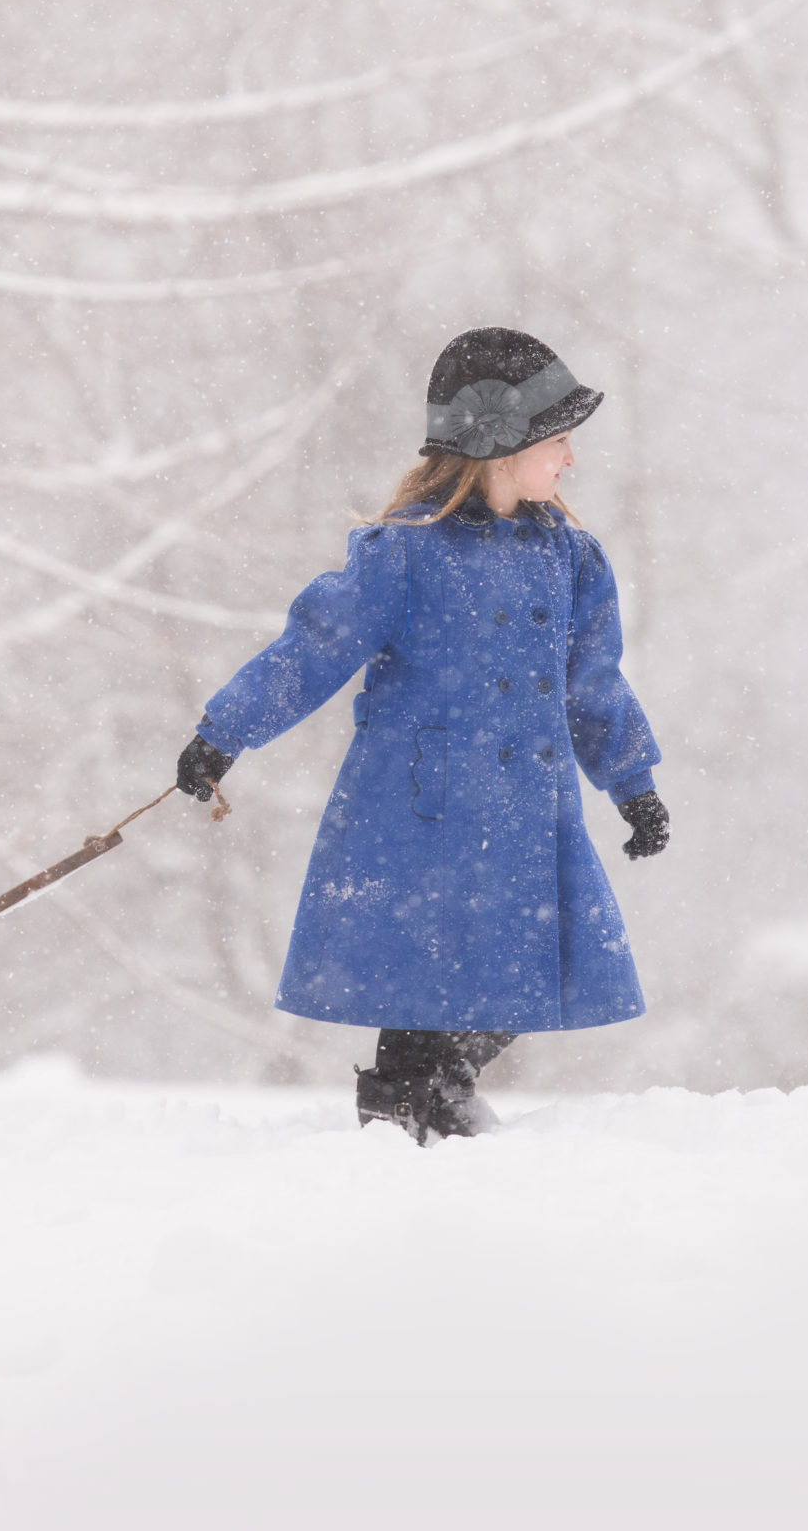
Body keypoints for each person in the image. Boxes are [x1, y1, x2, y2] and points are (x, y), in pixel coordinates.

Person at [173, 328, 670, 1142]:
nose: (571, 459)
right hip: (424, 819)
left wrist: (633, 784)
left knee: (524, 973)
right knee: (428, 984)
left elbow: (594, 685)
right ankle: (412, 1108)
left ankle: (418, 1095)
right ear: (501, 447)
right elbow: (315, 646)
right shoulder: (404, 555)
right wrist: (225, 731)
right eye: (559, 440)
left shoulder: (572, 560)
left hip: (526, 815)